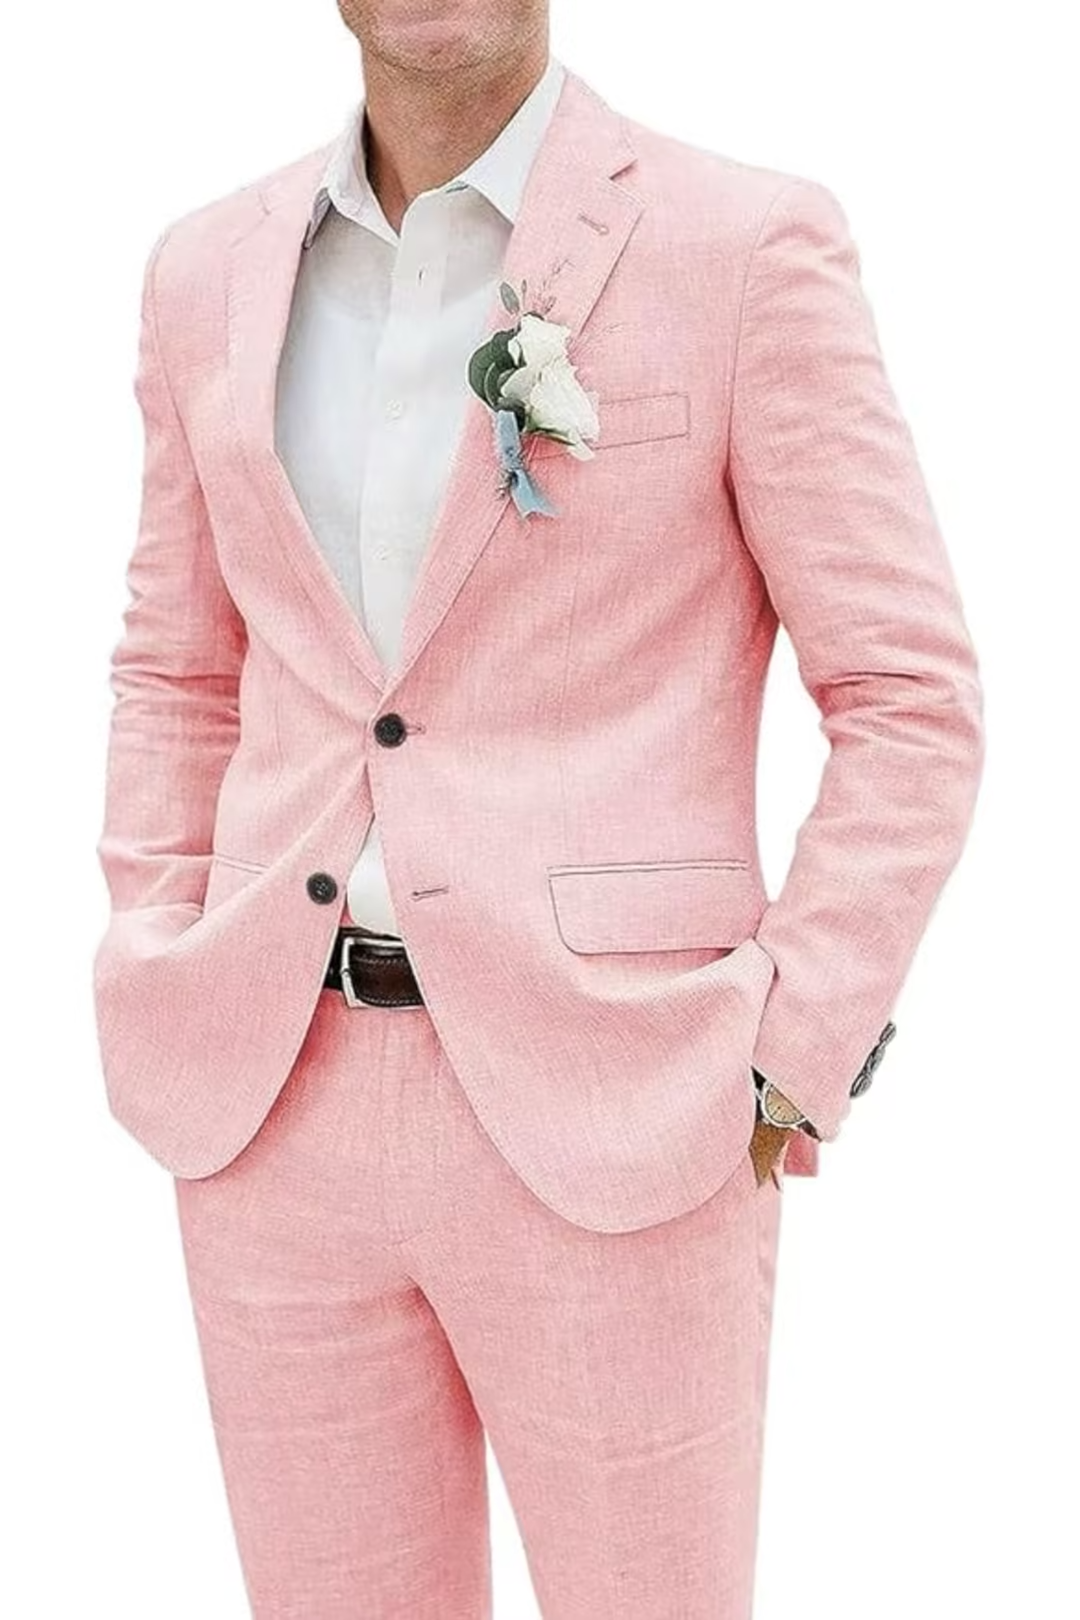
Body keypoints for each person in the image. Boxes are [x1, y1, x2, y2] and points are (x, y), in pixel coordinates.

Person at [91, 4, 985, 1615]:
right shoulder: (203, 272)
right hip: (269, 1102)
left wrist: (790, 1049)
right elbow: (177, 667)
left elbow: (908, 695)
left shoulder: (745, 245)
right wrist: (157, 935)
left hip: (624, 1109)